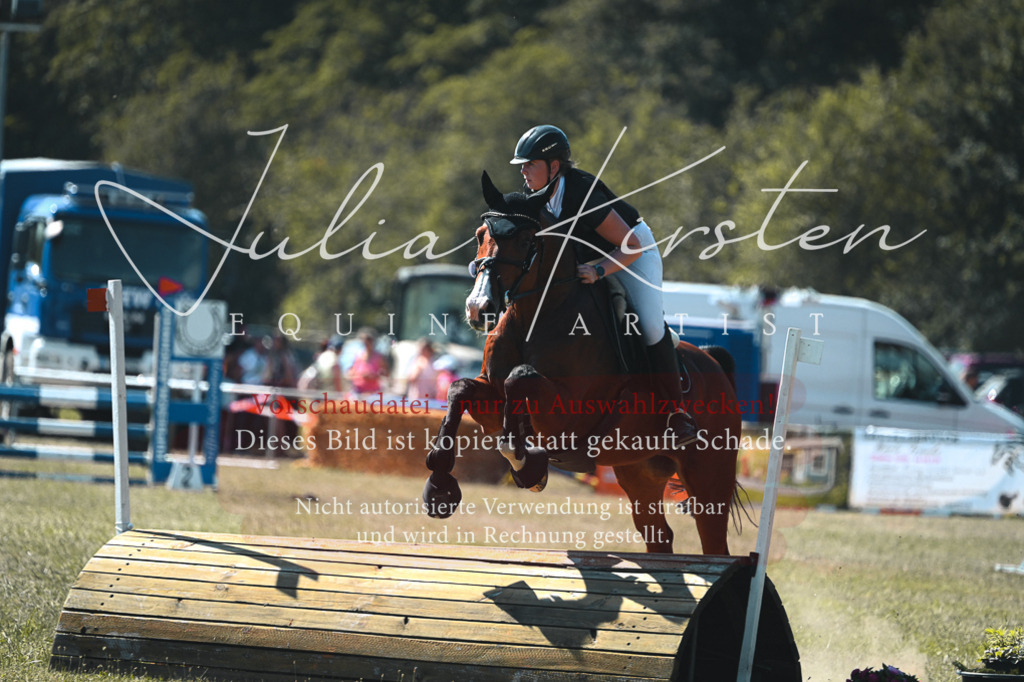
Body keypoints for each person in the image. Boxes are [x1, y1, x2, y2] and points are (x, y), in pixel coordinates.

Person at [510, 124, 698, 446]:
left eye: (530, 164)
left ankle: (676, 414)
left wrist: (599, 269)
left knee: (651, 326)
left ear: (554, 167)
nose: (524, 171)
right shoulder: (534, 198)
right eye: (522, 165)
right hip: (587, 260)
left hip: (631, 254)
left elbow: (631, 246)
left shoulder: (581, 193)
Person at [348, 327, 388, 395]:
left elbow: (386, 373)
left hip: (373, 392)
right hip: (358, 391)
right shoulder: (358, 355)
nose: (366, 342)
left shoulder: (379, 357)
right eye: (364, 340)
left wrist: (373, 376)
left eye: (369, 340)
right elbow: (351, 372)